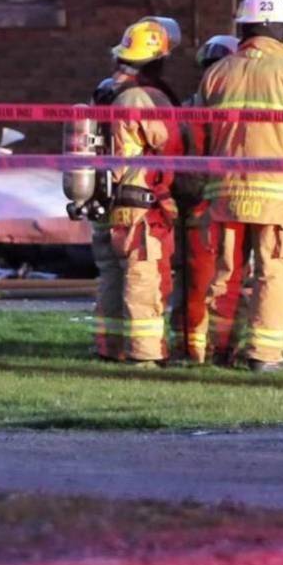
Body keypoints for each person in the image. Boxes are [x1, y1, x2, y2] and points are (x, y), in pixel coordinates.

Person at [198, 0, 283, 371]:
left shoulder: (217, 73)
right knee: (273, 272)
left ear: (245, 26)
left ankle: (218, 350)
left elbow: (198, 137)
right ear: (278, 27)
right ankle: (264, 354)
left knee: (226, 273)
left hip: (225, 192)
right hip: (276, 193)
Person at [100, 18, 184, 366]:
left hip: (114, 200)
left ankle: (110, 347)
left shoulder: (107, 91)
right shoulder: (143, 97)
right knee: (144, 278)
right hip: (143, 205)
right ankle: (145, 354)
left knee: (114, 277)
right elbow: (173, 146)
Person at [171, 34, 239, 365]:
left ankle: (193, 346)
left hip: (195, 205)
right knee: (217, 281)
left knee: (196, 281)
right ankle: (213, 348)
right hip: (214, 206)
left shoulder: (188, 110)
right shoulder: (234, 116)